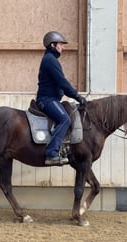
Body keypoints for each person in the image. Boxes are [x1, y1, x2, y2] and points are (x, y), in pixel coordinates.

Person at [36, 31, 87, 166]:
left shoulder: (51, 59)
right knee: (65, 119)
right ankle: (51, 153)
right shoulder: (50, 60)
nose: (62, 47)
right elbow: (62, 83)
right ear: (53, 45)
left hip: (52, 99)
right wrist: (77, 96)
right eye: (61, 45)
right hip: (47, 100)